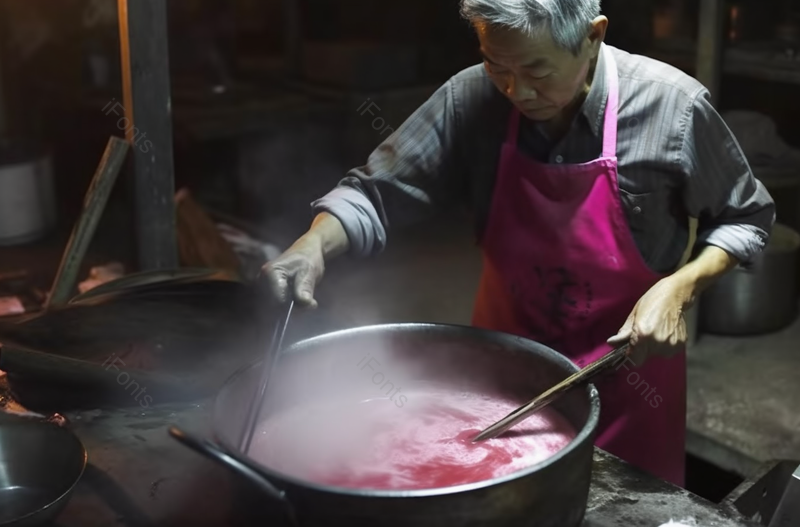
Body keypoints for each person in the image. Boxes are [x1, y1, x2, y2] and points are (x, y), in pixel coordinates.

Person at [263, 0, 775, 487]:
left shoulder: (673, 109)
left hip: (628, 385)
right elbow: (376, 192)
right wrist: (314, 243)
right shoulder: (470, 97)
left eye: (536, 70)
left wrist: (681, 288)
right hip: (499, 384)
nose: (516, 90)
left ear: (593, 36)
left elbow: (745, 215)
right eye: (496, 64)